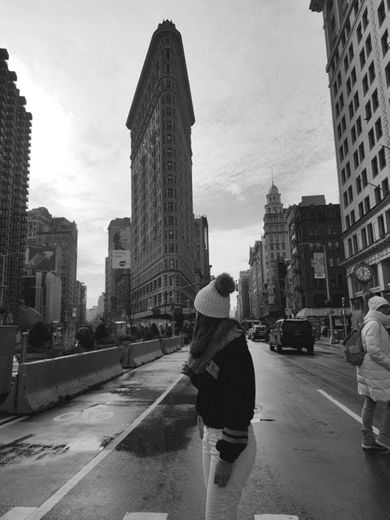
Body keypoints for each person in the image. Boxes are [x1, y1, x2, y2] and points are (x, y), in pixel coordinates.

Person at [182, 273, 256, 520]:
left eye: (197, 314)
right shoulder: (211, 346)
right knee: (220, 513)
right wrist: (203, 414)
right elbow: (213, 391)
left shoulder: (233, 348)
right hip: (211, 437)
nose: (195, 318)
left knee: (217, 516)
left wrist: (227, 456)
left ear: (205, 317)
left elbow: (241, 404)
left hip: (229, 442)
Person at [358, 295, 390, 450]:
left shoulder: (374, 323)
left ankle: (369, 439)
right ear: (378, 309)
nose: (388, 309)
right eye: (385, 307)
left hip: (373, 369)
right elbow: (374, 351)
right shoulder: (374, 324)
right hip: (376, 369)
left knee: (370, 402)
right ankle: (383, 438)